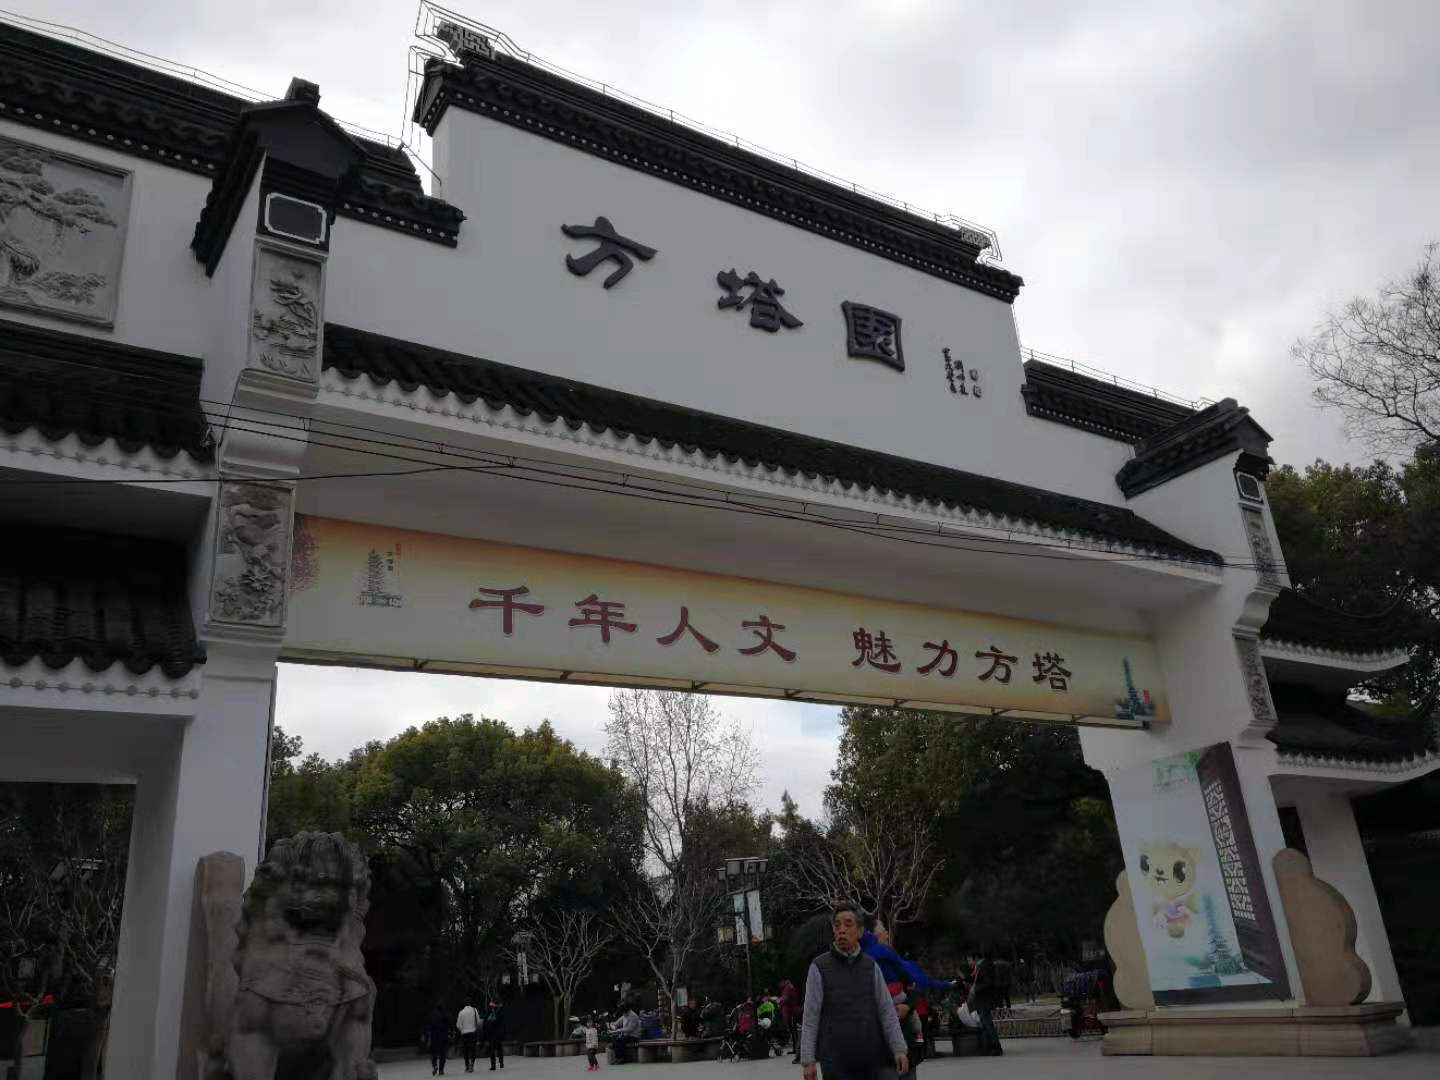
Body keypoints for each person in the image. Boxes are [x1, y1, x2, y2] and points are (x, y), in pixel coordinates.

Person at [799, 903, 910, 1080]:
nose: (842, 930)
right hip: (835, 1062)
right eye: (837, 925)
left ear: (860, 931)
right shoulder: (819, 967)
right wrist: (808, 1061)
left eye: (848, 924)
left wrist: (899, 1049)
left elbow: (886, 1010)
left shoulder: (871, 966)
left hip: (871, 1059)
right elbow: (811, 1016)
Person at [967, 950, 1002, 1057]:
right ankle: (988, 1046)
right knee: (984, 1022)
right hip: (982, 999)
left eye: (969, 960)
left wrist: (975, 988)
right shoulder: (981, 966)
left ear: (975, 958)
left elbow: (988, 982)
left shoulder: (984, 966)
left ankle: (995, 1046)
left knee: (987, 1023)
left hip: (984, 998)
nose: (969, 962)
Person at [778, 976, 801, 1062]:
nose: (779, 985)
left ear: (783, 981)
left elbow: (786, 999)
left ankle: (796, 1049)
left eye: (780, 983)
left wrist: (780, 1001)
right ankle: (795, 1048)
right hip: (792, 1011)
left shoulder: (788, 987)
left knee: (794, 1031)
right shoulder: (788, 987)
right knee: (793, 1030)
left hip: (792, 1011)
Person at [457, 998, 482, 1073]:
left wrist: (462, 1030)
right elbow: (478, 1022)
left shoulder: (461, 1012)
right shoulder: (474, 1010)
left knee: (466, 1050)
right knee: (473, 1049)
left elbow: (458, 1025)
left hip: (464, 1034)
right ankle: (472, 1063)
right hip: (473, 1032)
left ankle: (467, 1066)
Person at [428, 1002, 452, 1076]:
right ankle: (441, 1070)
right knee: (442, 1054)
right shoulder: (445, 1014)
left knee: (434, 1053)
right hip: (443, 1036)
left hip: (434, 1037)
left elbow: (430, 1026)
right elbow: (449, 1024)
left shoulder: (433, 1015)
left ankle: (435, 1065)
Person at [485, 999, 506, 1070]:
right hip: (499, 1032)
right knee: (499, 1048)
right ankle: (501, 1063)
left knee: (492, 1049)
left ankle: (493, 1065)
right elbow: (503, 1020)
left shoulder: (490, 1009)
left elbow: (486, 1019)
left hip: (492, 1032)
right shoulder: (501, 1009)